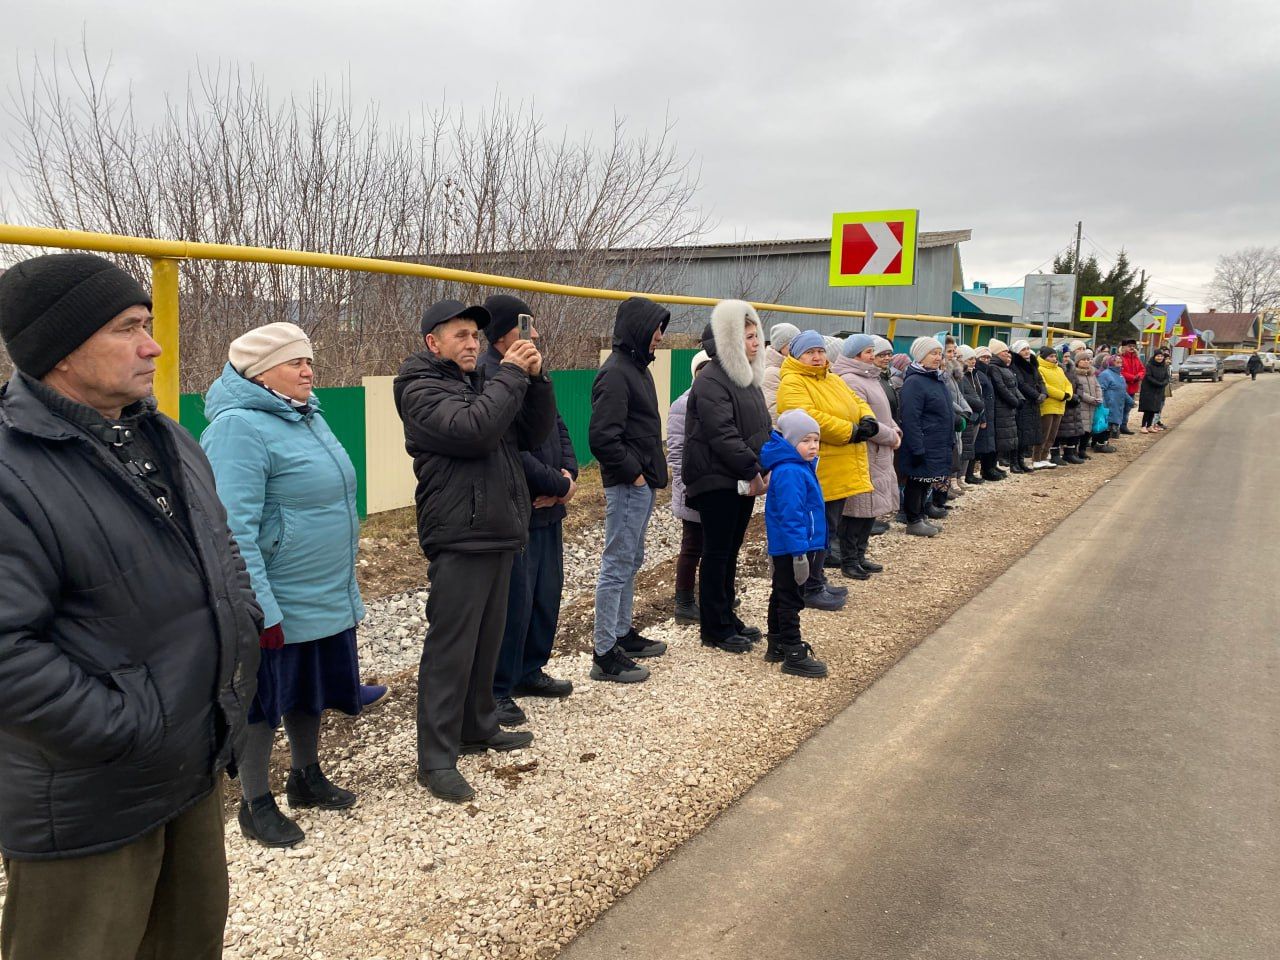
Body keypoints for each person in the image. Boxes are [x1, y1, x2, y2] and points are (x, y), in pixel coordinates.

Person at [0, 253, 260, 959]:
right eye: (129, 328)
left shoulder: (164, 436)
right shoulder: (12, 470)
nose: (154, 345)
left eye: (148, 324)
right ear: (59, 349)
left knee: (189, 943)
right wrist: (130, 725)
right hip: (92, 802)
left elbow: (219, 548)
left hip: (190, 767)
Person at [201, 322, 366, 848]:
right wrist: (261, 608)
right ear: (260, 372)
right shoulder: (238, 428)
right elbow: (233, 528)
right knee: (263, 702)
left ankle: (306, 776)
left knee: (308, 691)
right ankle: (255, 802)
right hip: (278, 598)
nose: (308, 369)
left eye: (308, 359)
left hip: (321, 588)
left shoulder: (306, 415)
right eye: (295, 362)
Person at [395, 298, 555, 803]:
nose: (471, 343)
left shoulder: (481, 384)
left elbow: (530, 434)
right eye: (460, 335)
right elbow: (475, 430)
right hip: (460, 533)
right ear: (432, 343)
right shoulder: (419, 387)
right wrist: (509, 375)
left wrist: (537, 379)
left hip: (497, 527)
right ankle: (436, 758)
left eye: (475, 336)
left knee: (487, 640)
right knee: (451, 648)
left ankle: (478, 725)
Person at [477, 295, 578, 730]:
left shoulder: (536, 373)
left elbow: (558, 426)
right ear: (503, 334)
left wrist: (569, 479)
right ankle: (498, 689)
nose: (535, 334)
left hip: (548, 510)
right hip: (520, 508)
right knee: (513, 604)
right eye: (527, 327)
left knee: (544, 595)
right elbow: (510, 449)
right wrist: (553, 485)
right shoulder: (489, 377)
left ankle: (530, 669)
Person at [588, 297, 672, 682]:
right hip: (627, 486)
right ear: (639, 327)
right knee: (617, 565)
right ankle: (604, 652)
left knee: (631, 560)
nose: (659, 337)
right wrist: (635, 475)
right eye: (656, 328)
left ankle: (622, 633)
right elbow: (603, 438)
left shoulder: (636, 368)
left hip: (641, 485)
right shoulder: (616, 373)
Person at [683, 300, 773, 652]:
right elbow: (723, 435)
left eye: (756, 336)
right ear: (731, 340)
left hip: (739, 479)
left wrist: (770, 459)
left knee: (731, 551)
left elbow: (760, 428)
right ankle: (714, 628)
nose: (755, 343)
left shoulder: (745, 378)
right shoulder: (712, 381)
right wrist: (752, 469)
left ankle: (727, 616)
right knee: (717, 553)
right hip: (717, 480)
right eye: (748, 337)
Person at [776, 329, 879, 606]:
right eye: (810, 352)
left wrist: (867, 418)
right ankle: (809, 586)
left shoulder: (831, 378)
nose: (817, 357)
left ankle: (817, 578)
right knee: (815, 528)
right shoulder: (793, 382)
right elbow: (809, 419)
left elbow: (857, 401)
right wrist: (851, 431)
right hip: (821, 468)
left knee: (828, 527)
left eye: (820, 351)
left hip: (839, 466)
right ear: (797, 355)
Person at [759, 410, 829, 678]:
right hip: (793, 547)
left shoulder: (798, 466)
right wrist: (799, 553)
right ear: (790, 442)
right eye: (806, 441)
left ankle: (776, 644)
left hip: (796, 545)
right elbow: (791, 515)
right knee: (791, 598)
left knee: (781, 591)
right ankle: (794, 652)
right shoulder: (790, 471)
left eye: (816, 440)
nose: (812, 446)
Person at [833, 334, 901, 576]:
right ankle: (849, 560)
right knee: (858, 510)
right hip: (865, 452)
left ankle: (861, 554)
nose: (873, 356)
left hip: (880, 451)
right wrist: (890, 436)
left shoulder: (870, 377)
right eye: (868, 352)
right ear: (855, 355)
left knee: (871, 511)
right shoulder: (850, 380)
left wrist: (894, 428)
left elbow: (883, 412)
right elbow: (863, 421)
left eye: (874, 351)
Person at [667, 349, 711, 625]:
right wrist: (688, 485)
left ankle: (711, 594)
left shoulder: (720, 401)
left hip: (716, 487)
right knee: (692, 546)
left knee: (714, 546)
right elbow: (675, 452)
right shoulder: (683, 405)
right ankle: (683, 601)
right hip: (693, 489)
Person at [897, 337, 954, 537]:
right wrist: (917, 447)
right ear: (921, 356)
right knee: (917, 480)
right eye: (933, 353)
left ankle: (922, 516)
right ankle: (913, 520)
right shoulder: (914, 382)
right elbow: (910, 418)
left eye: (939, 353)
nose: (938, 357)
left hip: (936, 441)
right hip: (924, 441)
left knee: (925, 481)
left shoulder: (935, 378)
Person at [986, 339, 1027, 473]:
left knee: (1012, 436)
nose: (1007, 354)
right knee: (1002, 437)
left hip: (1010, 407)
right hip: (1002, 407)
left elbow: (1014, 386)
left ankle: (1011, 463)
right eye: (1004, 351)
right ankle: (995, 465)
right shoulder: (994, 368)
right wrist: (1015, 401)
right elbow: (1001, 388)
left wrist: (1020, 399)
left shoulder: (1005, 367)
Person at [1010, 339, 1048, 468]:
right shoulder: (1015, 364)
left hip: (1034, 403)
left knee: (1027, 434)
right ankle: (1015, 462)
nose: (1026, 351)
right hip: (1024, 402)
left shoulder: (1032, 363)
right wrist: (1036, 395)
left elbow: (1040, 380)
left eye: (1027, 348)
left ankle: (1022, 461)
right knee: (1021, 433)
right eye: (1023, 349)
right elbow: (1021, 384)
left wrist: (1044, 393)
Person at [971, 345, 1004, 481]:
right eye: (983, 357)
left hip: (989, 411)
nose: (986, 360)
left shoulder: (986, 372)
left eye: (988, 357)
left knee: (988, 441)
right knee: (979, 443)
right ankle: (983, 469)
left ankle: (989, 467)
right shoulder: (978, 373)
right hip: (983, 411)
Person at [1036, 346, 1073, 466]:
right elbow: (1045, 386)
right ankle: (1036, 458)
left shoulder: (1059, 369)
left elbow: (1068, 384)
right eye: (1051, 356)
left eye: (1055, 356)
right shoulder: (1039, 369)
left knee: (1052, 435)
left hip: (1060, 406)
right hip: (1048, 405)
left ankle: (1044, 457)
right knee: (1044, 434)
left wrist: (1068, 394)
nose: (1054, 358)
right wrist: (1062, 395)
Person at [957, 345, 986, 485]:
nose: (973, 361)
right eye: (969, 359)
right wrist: (978, 404)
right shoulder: (961, 376)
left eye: (974, 358)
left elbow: (978, 394)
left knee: (969, 447)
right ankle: (959, 478)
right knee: (963, 448)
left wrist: (982, 414)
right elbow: (963, 396)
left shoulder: (974, 375)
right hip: (967, 416)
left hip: (976, 416)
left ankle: (963, 477)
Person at [762, 322, 799, 419]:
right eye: (792, 344)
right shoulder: (772, 373)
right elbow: (773, 411)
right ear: (781, 347)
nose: (797, 347)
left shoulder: (794, 367)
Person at [1139, 348, 1171, 432]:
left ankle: (1150, 426)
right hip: (1149, 390)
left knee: (1154, 409)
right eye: (1158, 356)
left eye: (1161, 356)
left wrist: (1163, 383)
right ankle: (1143, 426)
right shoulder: (1149, 365)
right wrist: (1158, 383)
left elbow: (1167, 377)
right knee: (1148, 409)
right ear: (1154, 356)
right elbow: (1148, 377)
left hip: (1159, 390)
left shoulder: (1164, 366)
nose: (1159, 358)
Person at [1097, 355, 1129, 442]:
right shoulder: (1105, 374)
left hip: (1118, 404)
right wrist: (1103, 403)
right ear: (1111, 363)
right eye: (1117, 362)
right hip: (1108, 403)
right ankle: (1100, 443)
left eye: (1121, 362)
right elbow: (1100, 389)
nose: (1120, 365)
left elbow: (1122, 389)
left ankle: (1106, 442)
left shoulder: (1120, 375)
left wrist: (1129, 400)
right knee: (1105, 424)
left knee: (1113, 424)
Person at [1119, 339, 1145, 434]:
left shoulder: (1136, 358)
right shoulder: (1120, 358)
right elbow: (1120, 371)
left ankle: (1123, 425)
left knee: (1128, 407)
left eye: (1133, 346)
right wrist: (1133, 377)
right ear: (1124, 347)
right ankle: (1117, 426)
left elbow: (1142, 369)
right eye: (1129, 346)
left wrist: (1139, 376)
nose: (1132, 348)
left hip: (1133, 387)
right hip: (1123, 387)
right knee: (1121, 407)